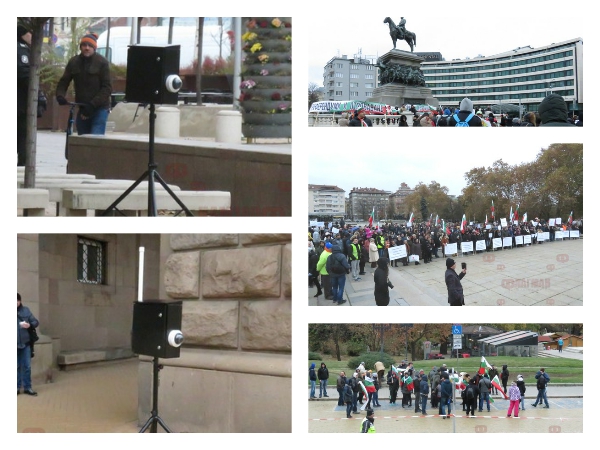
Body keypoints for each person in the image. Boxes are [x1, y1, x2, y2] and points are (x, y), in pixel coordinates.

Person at [55, 32, 112, 135]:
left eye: (90, 46)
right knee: (82, 141)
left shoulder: (102, 62)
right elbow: (64, 82)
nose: (87, 48)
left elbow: (107, 88)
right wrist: (60, 95)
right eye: (84, 45)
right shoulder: (74, 62)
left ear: (94, 48)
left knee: (95, 141)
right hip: (82, 108)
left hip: (99, 109)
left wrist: (92, 105)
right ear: (80, 47)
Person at [17, 293, 39, 396]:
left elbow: (35, 322)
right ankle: (16, 387)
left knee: (27, 366)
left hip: (25, 344)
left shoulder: (26, 310)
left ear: (20, 301)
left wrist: (29, 325)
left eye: (17, 301)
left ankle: (27, 387)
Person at [17, 25, 32, 167]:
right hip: (20, 103)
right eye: (30, 33)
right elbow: (25, 74)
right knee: (23, 138)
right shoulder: (21, 49)